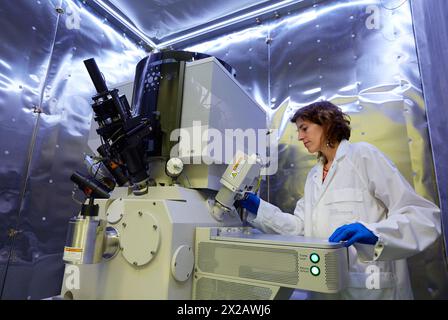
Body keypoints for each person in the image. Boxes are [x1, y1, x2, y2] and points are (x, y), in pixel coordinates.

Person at [236, 101, 441, 299]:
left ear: (325, 122)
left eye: (304, 128)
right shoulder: (315, 175)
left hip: (371, 285)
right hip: (327, 286)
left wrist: (375, 233)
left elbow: (421, 214)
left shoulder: (362, 156)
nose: (299, 136)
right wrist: (259, 207)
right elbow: (299, 227)